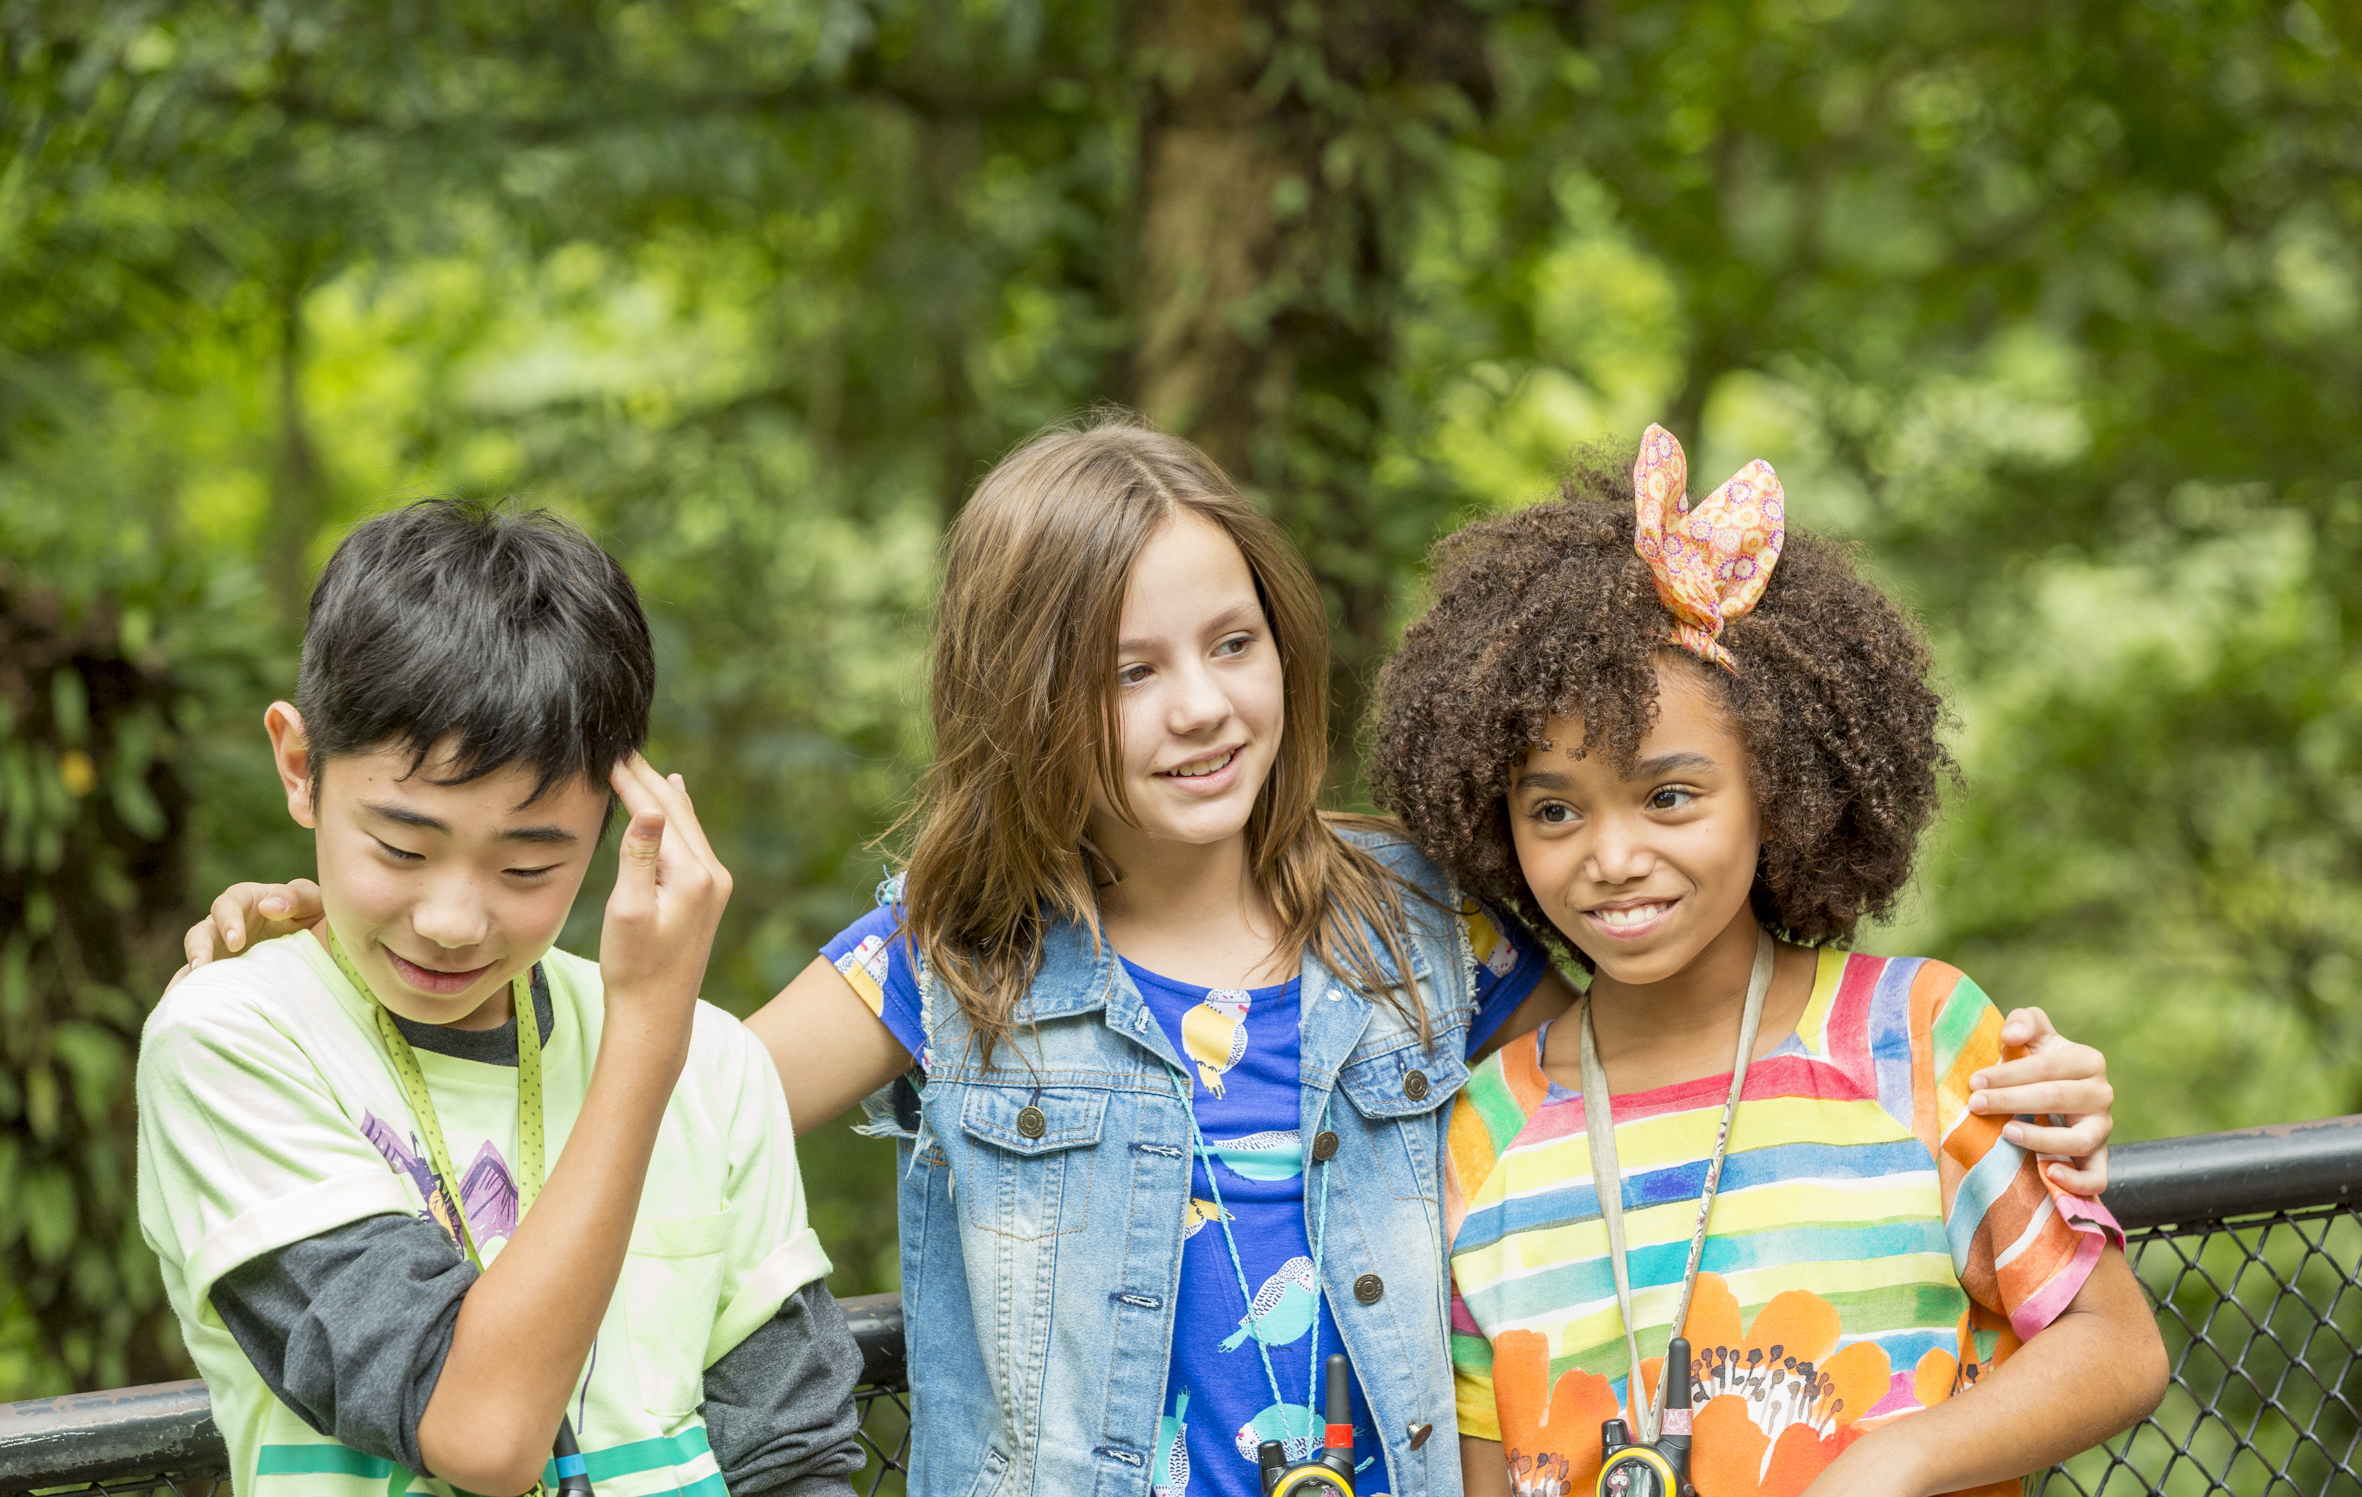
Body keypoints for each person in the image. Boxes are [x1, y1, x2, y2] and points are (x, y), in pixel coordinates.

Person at [177, 418, 2122, 1497]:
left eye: (1232, 643)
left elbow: (1689, 984)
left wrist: (2009, 1078)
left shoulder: (1426, 924)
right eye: (1125, 666)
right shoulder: (951, 959)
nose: (1198, 706)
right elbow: (673, 1107)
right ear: (1035, 699)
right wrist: (342, 952)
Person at [1369, 430, 2168, 1497]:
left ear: (1780, 790)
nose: (1612, 858)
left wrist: (1887, 1466)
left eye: (1669, 796)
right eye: (1553, 809)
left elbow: (2115, 1347)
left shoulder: (1914, 1037)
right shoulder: (1480, 1134)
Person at [137, 501, 865, 1497]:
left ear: (621, 821)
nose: (451, 919)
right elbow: (479, 1433)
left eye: (527, 866)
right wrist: (645, 1037)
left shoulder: (716, 1059)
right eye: (401, 848)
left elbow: (794, 1453)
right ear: (300, 767)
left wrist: (666, 1032)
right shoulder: (233, 1042)